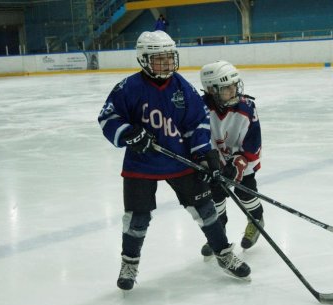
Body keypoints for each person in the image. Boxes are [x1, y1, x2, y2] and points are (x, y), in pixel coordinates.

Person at [98, 31, 250, 291]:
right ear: (144, 60)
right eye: (160, 60)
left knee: (206, 211)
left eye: (170, 58)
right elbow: (108, 118)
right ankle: (129, 262)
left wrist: (205, 155)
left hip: (180, 161)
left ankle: (223, 253)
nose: (168, 64)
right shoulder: (129, 87)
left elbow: (197, 123)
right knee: (137, 218)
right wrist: (129, 133)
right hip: (141, 163)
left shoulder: (182, 87)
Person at [199, 60, 264, 258]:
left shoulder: (247, 108)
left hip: (241, 161)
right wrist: (211, 162)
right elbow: (198, 139)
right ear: (211, 90)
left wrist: (239, 162)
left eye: (235, 85)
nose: (234, 90)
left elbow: (253, 143)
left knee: (247, 193)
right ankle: (218, 233)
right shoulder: (200, 110)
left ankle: (256, 220)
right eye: (227, 87)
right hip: (214, 163)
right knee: (215, 198)